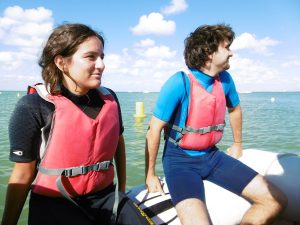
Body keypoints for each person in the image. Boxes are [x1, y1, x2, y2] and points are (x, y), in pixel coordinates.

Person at [1, 23, 153, 225]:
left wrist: (122, 190)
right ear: (61, 62)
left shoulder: (110, 99)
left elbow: (117, 142)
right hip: (55, 204)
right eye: (91, 57)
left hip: (106, 197)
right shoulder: (34, 106)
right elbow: (21, 175)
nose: (101, 65)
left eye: (102, 57)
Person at [145, 24, 287, 225]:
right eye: (227, 47)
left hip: (213, 157)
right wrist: (150, 174)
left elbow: (235, 109)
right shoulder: (179, 82)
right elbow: (153, 131)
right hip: (180, 163)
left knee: (275, 200)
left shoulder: (226, 80)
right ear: (208, 52)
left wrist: (238, 143)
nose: (231, 53)